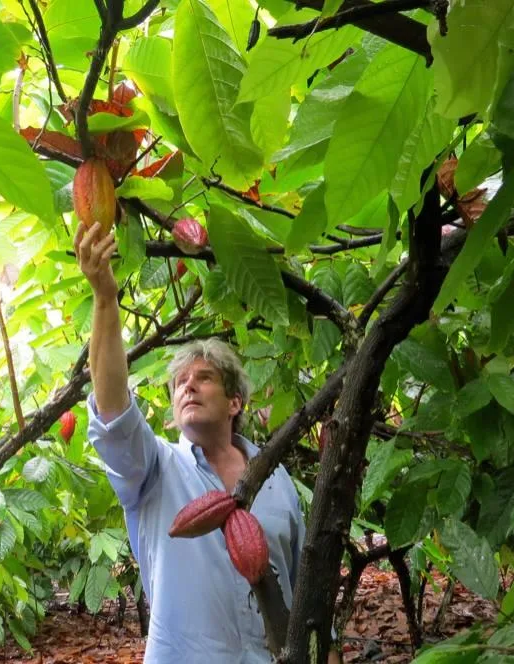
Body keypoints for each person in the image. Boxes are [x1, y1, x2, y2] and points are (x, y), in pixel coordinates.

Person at [75, 222, 342, 663]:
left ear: (235, 401)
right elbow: (114, 414)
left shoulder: (277, 482)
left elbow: (304, 590)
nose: (188, 387)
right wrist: (105, 298)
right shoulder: (155, 472)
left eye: (204, 378)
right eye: (179, 383)